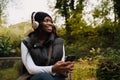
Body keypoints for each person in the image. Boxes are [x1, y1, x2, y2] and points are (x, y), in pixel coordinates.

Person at [21, 11, 74, 80]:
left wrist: (65, 68)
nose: (50, 24)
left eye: (51, 21)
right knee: (45, 76)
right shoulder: (27, 42)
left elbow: (61, 64)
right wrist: (52, 69)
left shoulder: (59, 42)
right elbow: (31, 69)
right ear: (36, 24)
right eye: (46, 21)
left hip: (56, 77)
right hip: (36, 77)